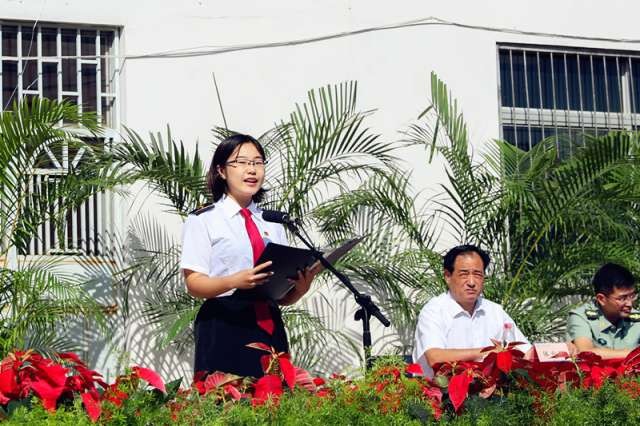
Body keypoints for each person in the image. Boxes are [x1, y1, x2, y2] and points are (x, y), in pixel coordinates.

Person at [180, 134, 317, 378]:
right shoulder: (203, 219)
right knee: (227, 403)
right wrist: (233, 281)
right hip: (224, 323)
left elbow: (281, 295)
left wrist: (299, 290)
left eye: (258, 162)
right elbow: (194, 284)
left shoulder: (272, 222)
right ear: (221, 170)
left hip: (269, 323)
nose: (251, 170)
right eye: (241, 162)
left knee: (274, 403)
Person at [412, 245, 532, 377]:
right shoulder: (433, 311)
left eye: (477, 274)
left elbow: (526, 352)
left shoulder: (495, 311)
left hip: (491, 392)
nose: (471, 282)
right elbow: (435, 357)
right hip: (441, 393)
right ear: (448, 276)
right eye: (464, 274)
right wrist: (488, 352)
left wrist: (550, 353)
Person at [565, 263, 640, 360]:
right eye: (622, 299)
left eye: (632, 296)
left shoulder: (637, 318)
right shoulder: (581, 317)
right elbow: (586, 353)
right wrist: (634, 354)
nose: (629, 303)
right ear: (601, 299)